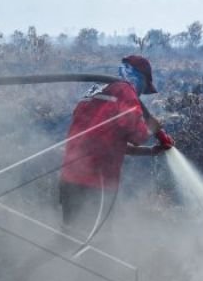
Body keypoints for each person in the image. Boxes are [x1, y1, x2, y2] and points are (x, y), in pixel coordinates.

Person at [58, 55, 173, 239]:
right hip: (96, 185)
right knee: (97, 245)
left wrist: (150, 152)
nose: (141, 94)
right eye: (143, 87)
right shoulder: (125, 92)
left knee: (69, 240)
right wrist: (154, 126)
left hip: (70, 180)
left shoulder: (96, 91)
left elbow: (105, 141)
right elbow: (139, 136)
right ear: (138, 78)